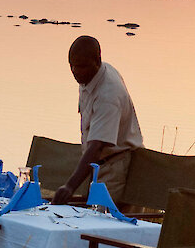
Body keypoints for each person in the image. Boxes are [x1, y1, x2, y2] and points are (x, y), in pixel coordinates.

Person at [52, 35, 143, 205]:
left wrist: (70, 187)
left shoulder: (108, 94)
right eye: (72, 66)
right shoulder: (89, 77)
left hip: (114, 167)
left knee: (100, 223)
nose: (76, 72)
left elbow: (96, 146)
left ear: (97, 61)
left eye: (82, 67)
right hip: (95, 166)